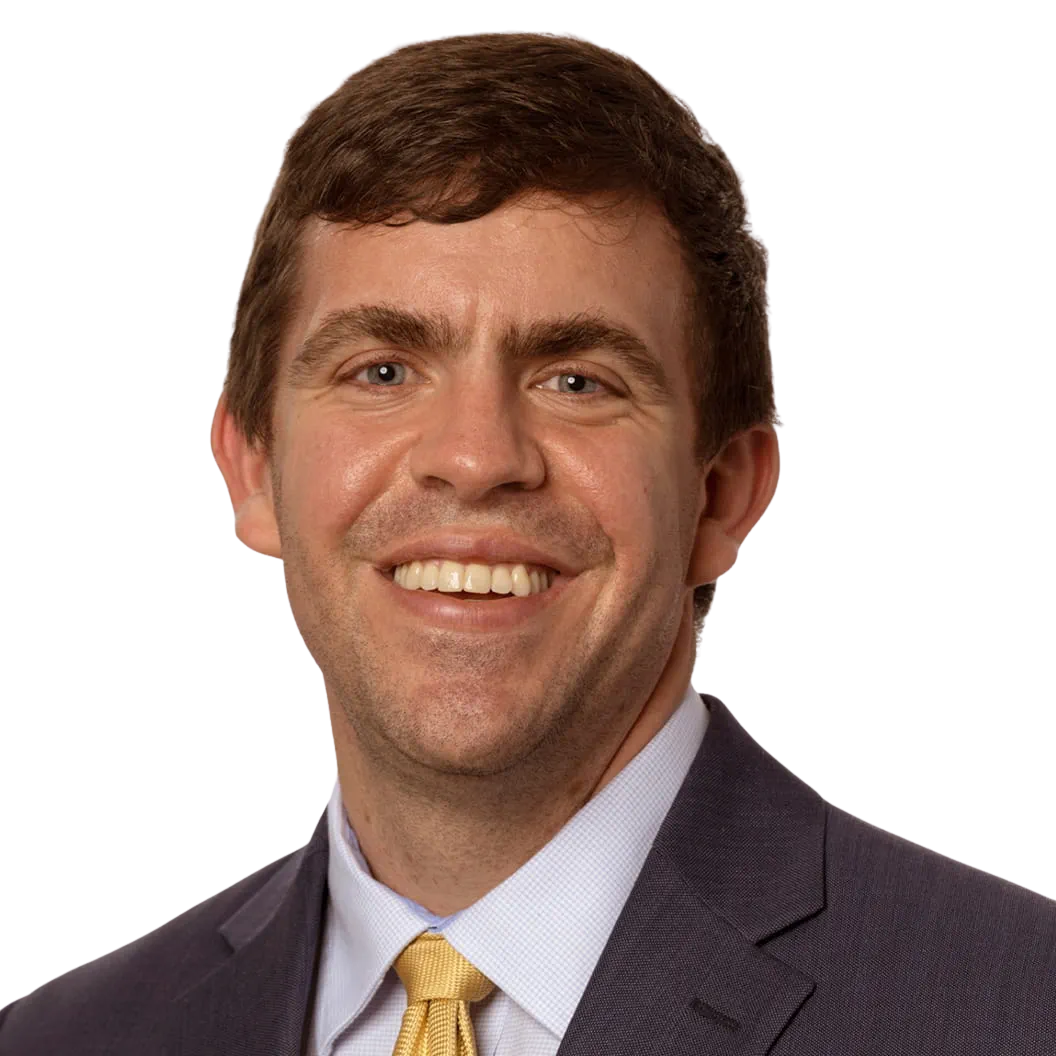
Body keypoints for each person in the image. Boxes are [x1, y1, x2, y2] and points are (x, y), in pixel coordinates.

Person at [2, 30, 1051, 1056]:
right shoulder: (71, 1036)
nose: (473, 458)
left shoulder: (1019, 1004)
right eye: (382, 370)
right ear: (252, 470)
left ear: (723, 494)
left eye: (576, 380)